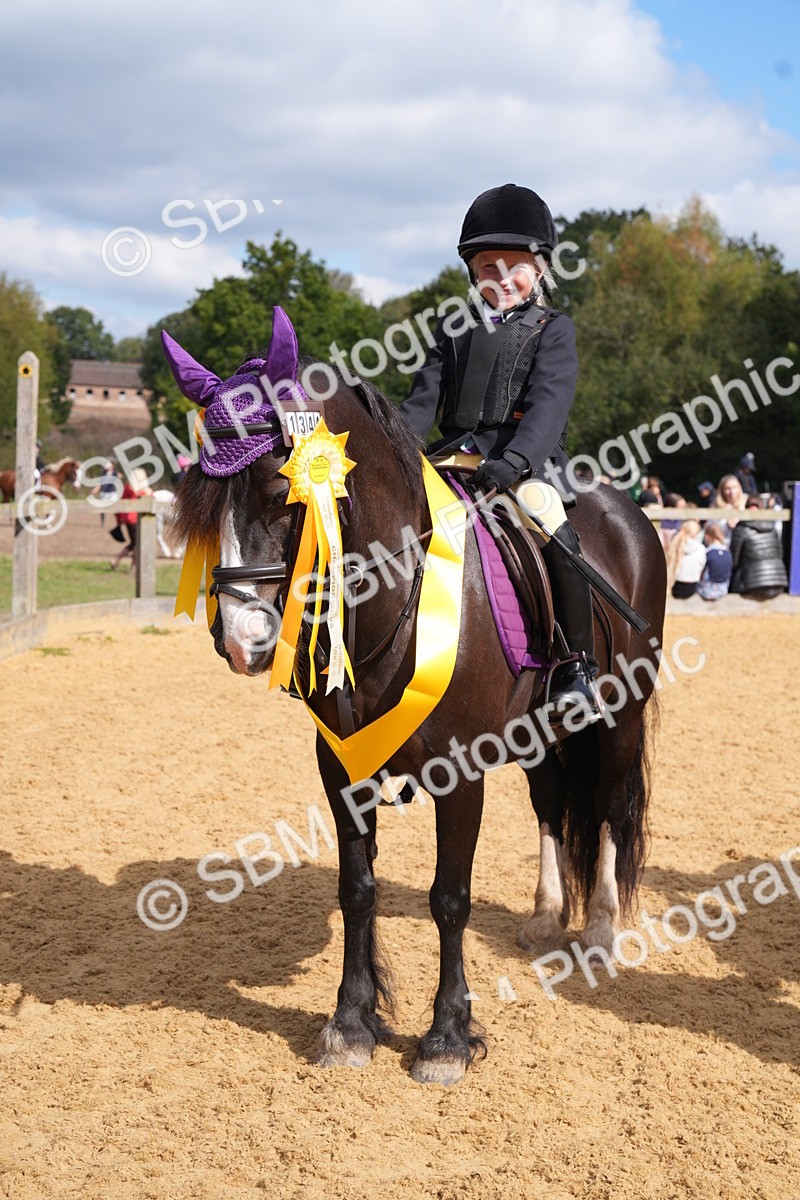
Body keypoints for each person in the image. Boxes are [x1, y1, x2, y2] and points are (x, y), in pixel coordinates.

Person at [400, 182, 600, 722]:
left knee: (549, 520)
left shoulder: (552, 329)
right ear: (472, 271)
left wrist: (514, 463)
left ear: (539, 270)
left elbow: (548, 406)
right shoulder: (451, 327)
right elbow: (421, 403)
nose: (501, 278)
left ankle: (576, 666)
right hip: (450, 459)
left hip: (521, 465)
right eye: (489, 266)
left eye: (516, 266)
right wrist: (397, 451)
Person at [729, 495, 788, 600]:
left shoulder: (742, 527)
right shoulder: (772, 527)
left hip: (752, 585)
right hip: (778, 582)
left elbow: (733, 560)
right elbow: (780, 553)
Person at [110, 468, 152, 570]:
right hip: (136, 519)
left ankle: (119, 562)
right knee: (137, 543)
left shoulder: (126, 487)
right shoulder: (140, 491)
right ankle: (129, 564)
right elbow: (149, 496)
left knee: (134, 543)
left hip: (127, 519)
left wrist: (119, 519)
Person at [666, 520, 707, 599]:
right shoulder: (701, 548)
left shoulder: (675, 544)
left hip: (675, 585)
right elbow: (701, 567)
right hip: (691, 587)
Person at [696, 523, 733, 601]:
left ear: (707, 537)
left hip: (707, 591)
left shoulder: (707, 552)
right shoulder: (727, 552)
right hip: (723, 590)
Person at [715, 474, 746, 543]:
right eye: (727, 488)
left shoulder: (746, 505)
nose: (731, 492)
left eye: (734, 487)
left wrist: (737, 525)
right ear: (722, 491)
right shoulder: (715, 507)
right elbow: (711, 528)